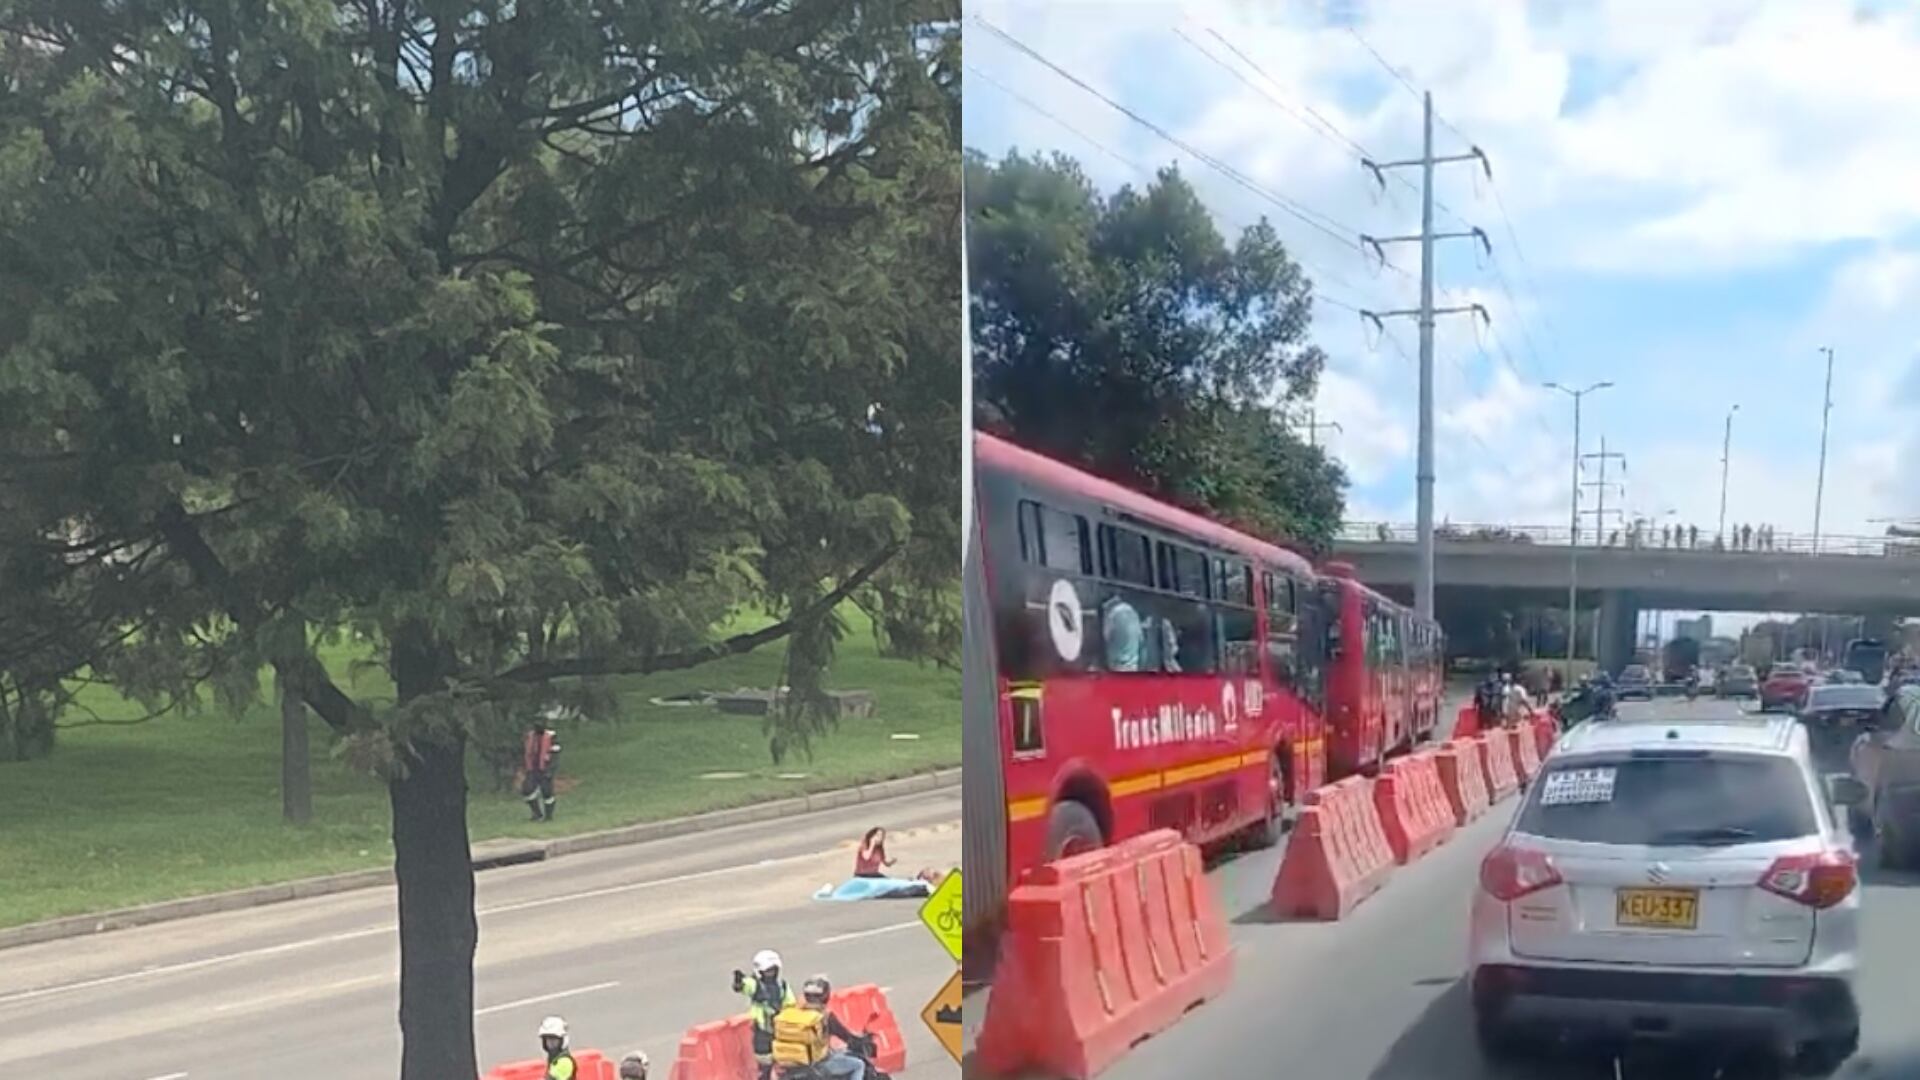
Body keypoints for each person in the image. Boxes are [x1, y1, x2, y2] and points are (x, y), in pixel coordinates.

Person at [770, 976, 872, 1079]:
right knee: (858, 1065)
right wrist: (862, 1039)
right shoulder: (825, 1017)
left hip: (789, 1069)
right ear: (826, 996)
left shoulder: (792, 1013)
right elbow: (847, 1037)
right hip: (818, 1067)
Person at [736, 949, 796, 1080]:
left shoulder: (782, 985)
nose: (771, 974)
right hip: (762, 1031)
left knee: (787, 1066)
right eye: (768, 971)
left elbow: (790, 1003)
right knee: (765, 1067)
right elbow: (747, 986)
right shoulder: (755, 984)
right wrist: (740, 984)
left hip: (781, 1030)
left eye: (773, 970)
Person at [522, 706, 564, 822]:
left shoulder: (551, 736)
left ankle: (549, 816)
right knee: (527, 790)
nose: (537, 725)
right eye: (536, 722)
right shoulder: (530, 735)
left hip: (545, 768)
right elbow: (527, 751)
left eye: (540, 722)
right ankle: (537, 813)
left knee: (547, 793)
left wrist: (551, 770)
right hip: (532, 769)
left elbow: (556, 754)